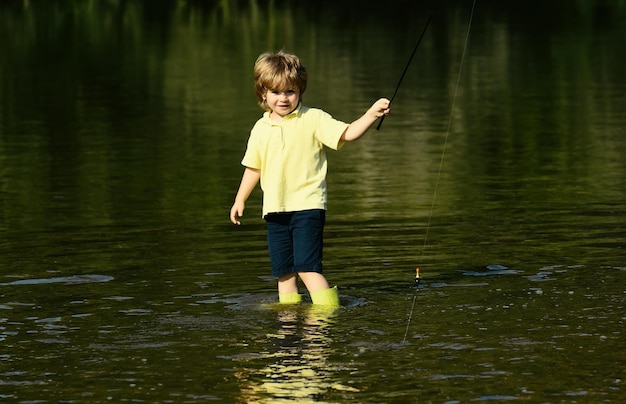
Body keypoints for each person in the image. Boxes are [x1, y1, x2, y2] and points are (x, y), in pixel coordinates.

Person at [230, 50, 390, 307]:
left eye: (290, 91)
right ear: (263, 93)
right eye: (276, 92)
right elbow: (253, 167)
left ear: (300, 91)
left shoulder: (313, 118)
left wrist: (371, 114)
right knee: (284, 272)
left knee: (307, 267)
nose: (283, 98)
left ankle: (327, 317)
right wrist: (240, 200)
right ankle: (288, 324)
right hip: (275, 210)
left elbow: (347, 133)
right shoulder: (260, 128)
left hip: (307, 206)